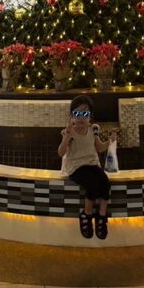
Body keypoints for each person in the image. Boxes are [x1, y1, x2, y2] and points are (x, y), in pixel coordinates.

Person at [58, 94, 116, 240]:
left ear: (90, 116)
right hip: (76, 167)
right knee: (92, 183)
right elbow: (61, 152)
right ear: (71, 116)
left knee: (104, 181)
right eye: (78, 113)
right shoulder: (69, 133)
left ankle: (101, 216)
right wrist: (66, 137)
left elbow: (100, 148)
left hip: (92, 165)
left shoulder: (92, 130)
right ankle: (87, 213)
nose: (81, 118)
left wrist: (110, 142)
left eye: (85, 113)